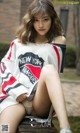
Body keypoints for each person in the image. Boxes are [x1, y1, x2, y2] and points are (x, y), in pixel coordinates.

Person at [0, 0, 72, 133]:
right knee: (4, 129)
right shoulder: (18, 42)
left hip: (39, 101)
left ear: (52, 19)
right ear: (30, 21)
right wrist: (17, 91)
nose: (41, 25)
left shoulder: (58, 42)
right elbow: (3, 68)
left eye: (45, 19)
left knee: (49, 69)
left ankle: (65, 128)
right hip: (16, 100)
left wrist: (56, 103)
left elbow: (56, 75)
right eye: (36, 20)